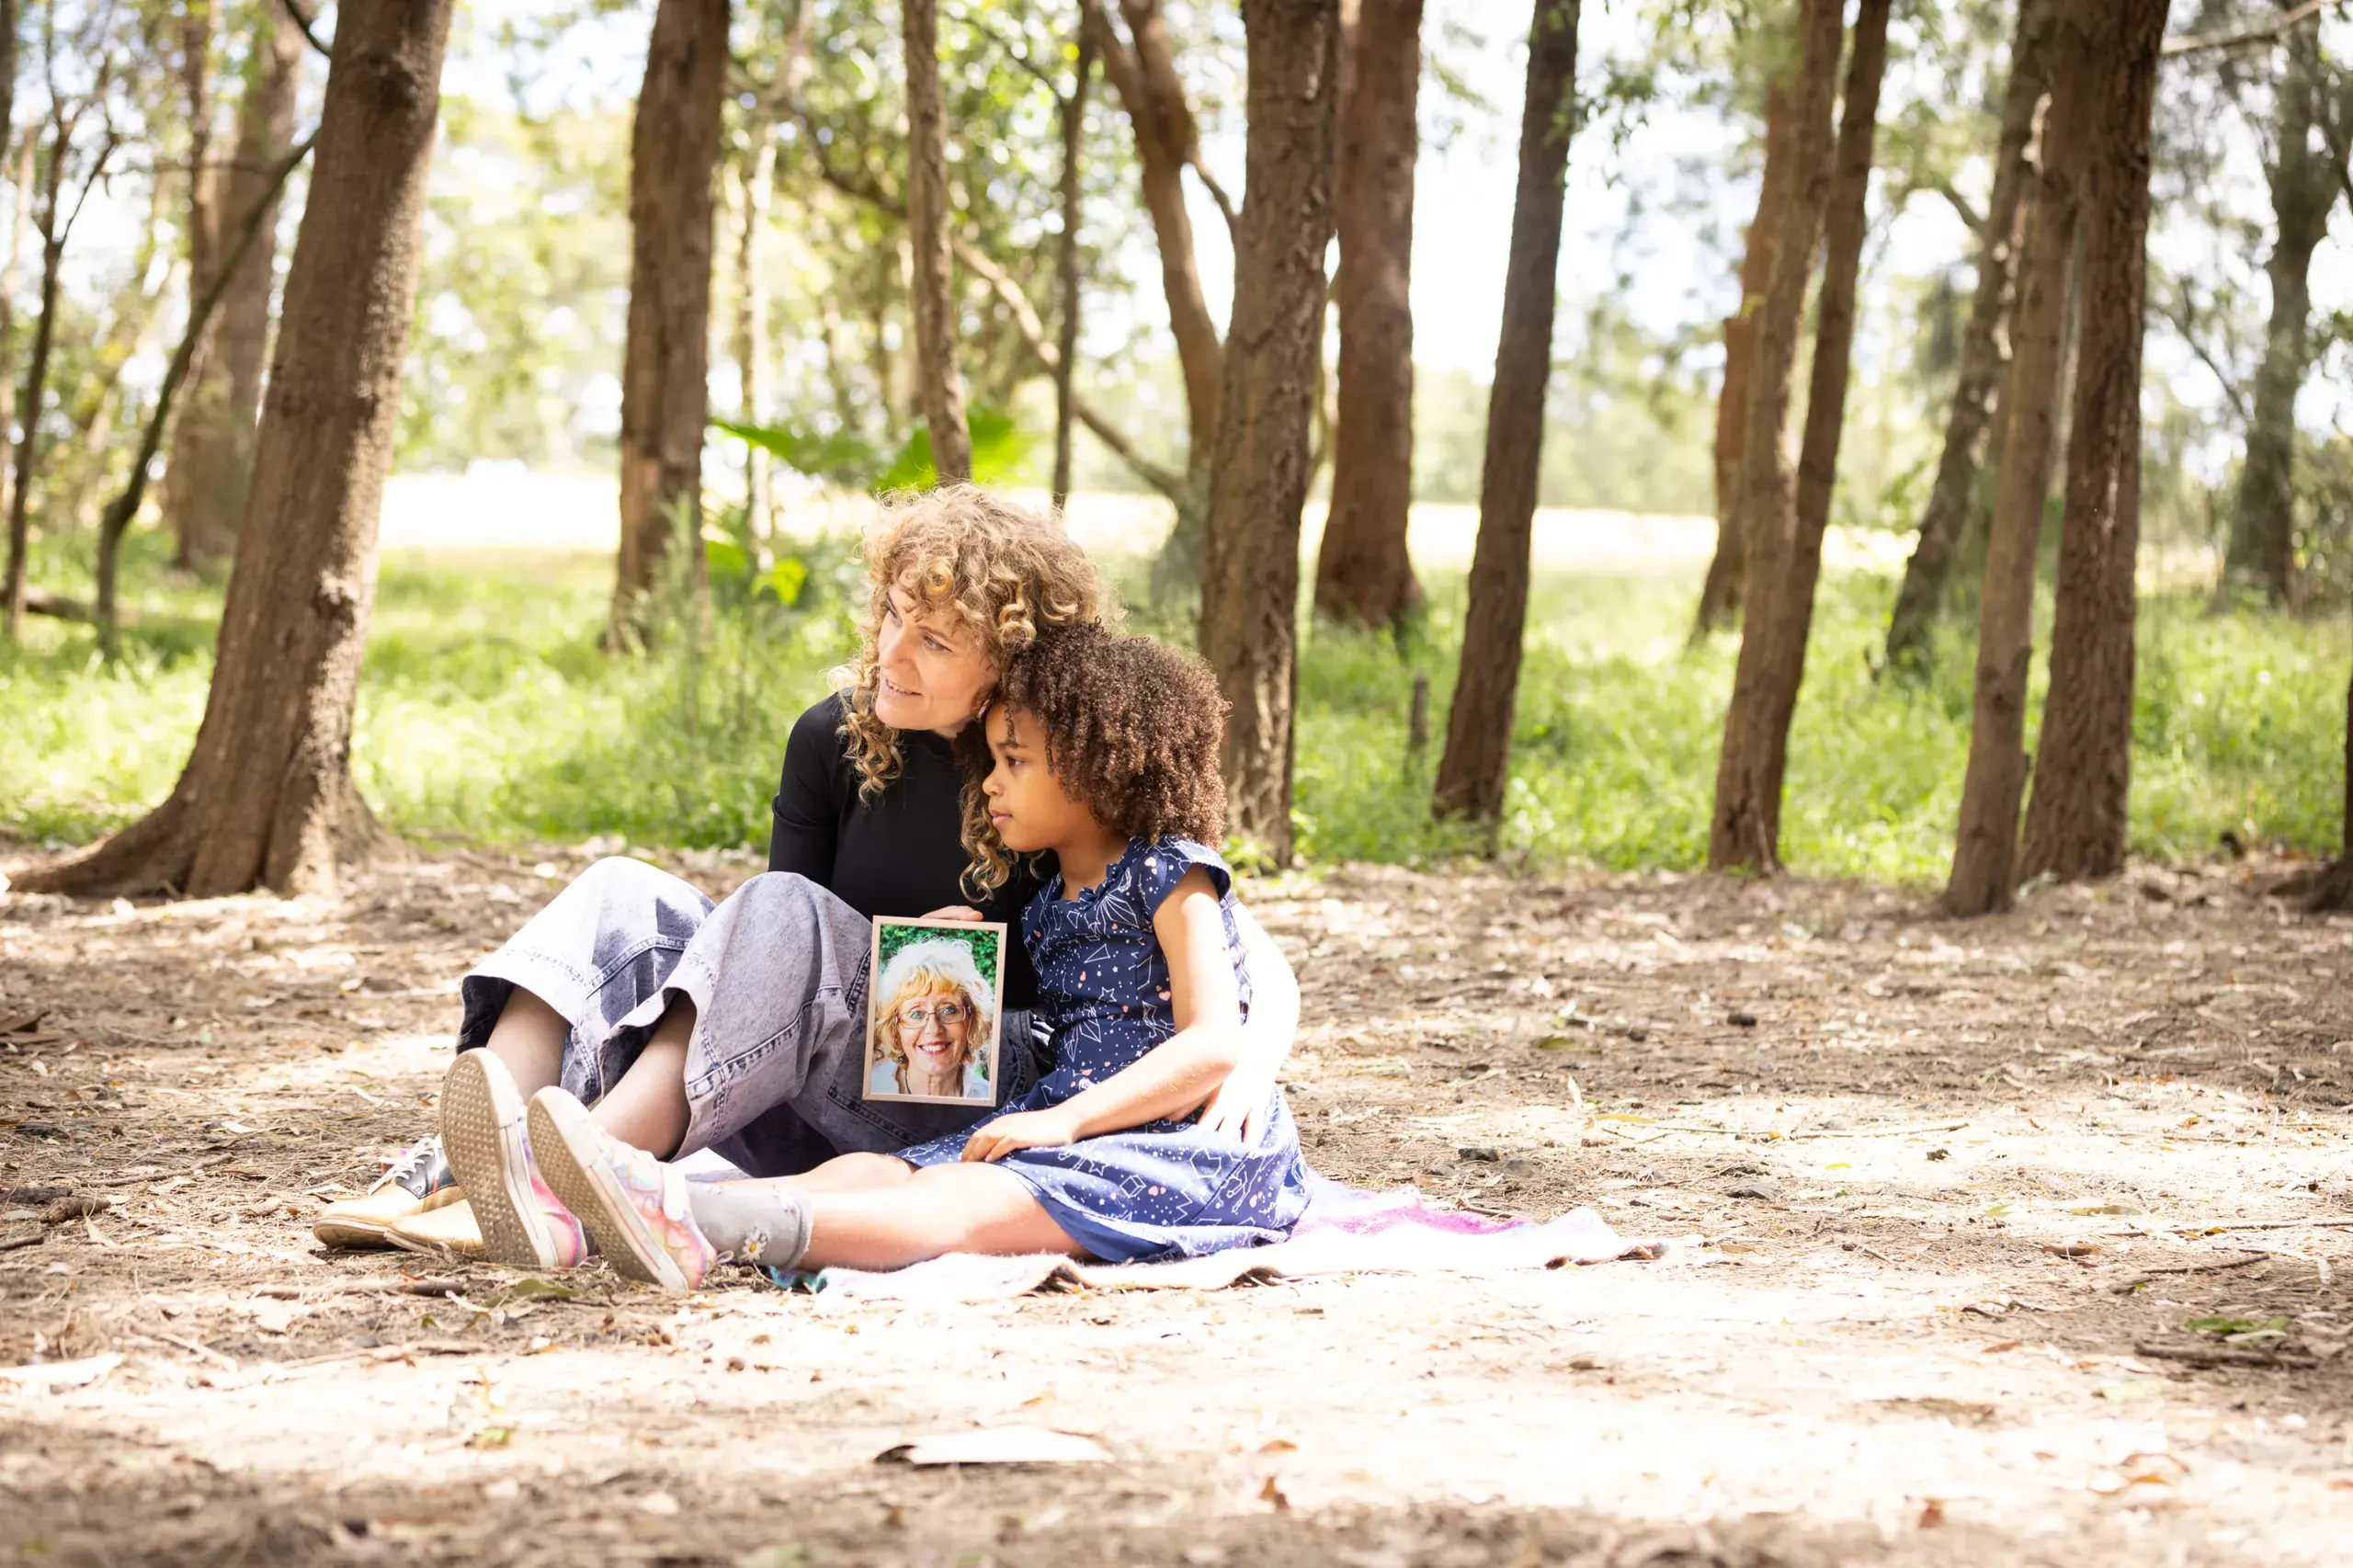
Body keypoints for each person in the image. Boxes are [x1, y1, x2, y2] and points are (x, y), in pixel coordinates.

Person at [311, 487, 1302, 1263]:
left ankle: (581, 1173)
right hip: (815, 1068)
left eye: (933, 638)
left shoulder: (1049, 769)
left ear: (1009, 660)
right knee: (625, 892)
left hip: (950, 1081)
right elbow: (761, 955)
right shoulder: (832, 736)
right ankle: (455, 1168)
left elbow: (1223, 944)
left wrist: (1250, 1057)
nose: (889, 651)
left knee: (785, 909)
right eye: (889, 615)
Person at [514, 621, 1309, 1288]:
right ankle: (638, 1199)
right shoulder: (1042, 904)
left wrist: (1070, 1117)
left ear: (1100, 769)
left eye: (1014, 762)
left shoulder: (1170, 871)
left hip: (1176, 1130)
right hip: (1067, 1105)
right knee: (897, 1173)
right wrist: (934, 955)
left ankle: (699, 1217)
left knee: (966, 1200)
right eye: (994, 759)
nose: (991, 785)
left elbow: (1214, 1032)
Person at [866, 936, 995, 1100]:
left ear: (972, 1020)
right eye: (916, 1014)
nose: (933, 1030)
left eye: (948, 1010)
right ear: (895, 1027)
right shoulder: (872, 1087)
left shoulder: (989, 1099)